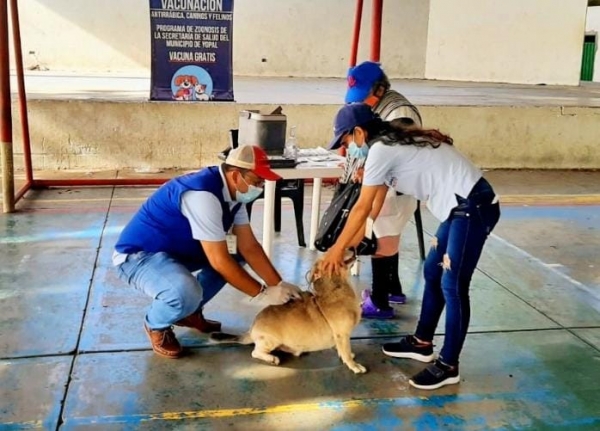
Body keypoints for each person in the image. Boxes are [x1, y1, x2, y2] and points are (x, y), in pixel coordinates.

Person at [323, 103, 501, 390]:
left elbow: (361, 207)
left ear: (358, 132)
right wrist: (350, 249)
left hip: (473, 206)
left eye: (346, 141)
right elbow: (372, 208)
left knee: (453, 285)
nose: (347, 149)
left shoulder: (381, 149)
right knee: (433, 272)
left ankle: (449, 365)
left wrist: (335, 250)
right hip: (457, 209)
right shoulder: (387, 145)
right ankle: (422, 342)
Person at [113, 145, 303, 358]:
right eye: (257, 181)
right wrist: (262, 293)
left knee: (235, 254)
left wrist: (278, 284)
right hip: (138, 257)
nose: (259, 187)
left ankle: (190, 313)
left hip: (177, 254)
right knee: (184, 291)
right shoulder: (202, 195)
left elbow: (249, 246)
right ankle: (156, 324)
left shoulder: (235, 196)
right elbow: (219, 261)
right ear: (235, 175)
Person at [330, 61, 422, 319]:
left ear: (380, 89)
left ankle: (380, 301)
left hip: (397, 187)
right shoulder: (379, 107)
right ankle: (392, 289)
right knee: (387, 236)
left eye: (365, 96)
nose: (363, 102)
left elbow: (398, 151)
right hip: (389, 184)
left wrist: (338, 249)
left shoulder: (399, 111)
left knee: (382, 239)